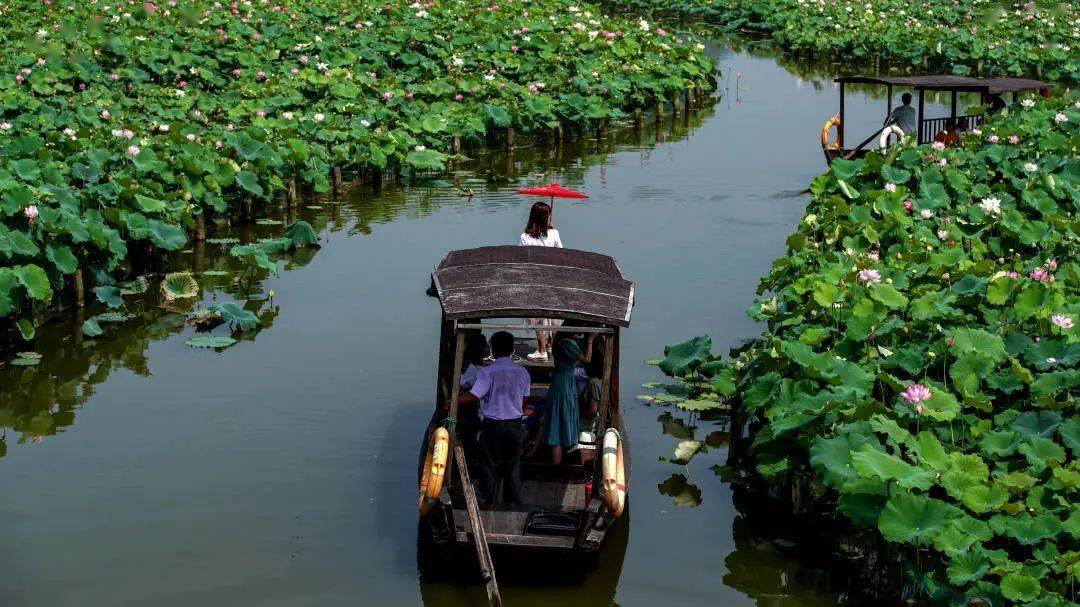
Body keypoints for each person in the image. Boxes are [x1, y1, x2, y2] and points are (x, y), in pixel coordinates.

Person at [449, 331, 531, 504]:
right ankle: (512, 501)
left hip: (493, 424)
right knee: (513, 464)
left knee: (490, 465)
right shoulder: (522, 371)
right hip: (514, 424)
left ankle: (490, 500)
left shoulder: (488, 371)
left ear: (494, 349)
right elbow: (524, 399)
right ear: (512, 348)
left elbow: (473, 396)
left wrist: (451, 402)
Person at [519, 202, 563, 361]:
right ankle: (550, 346)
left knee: (538, 314)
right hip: (553, 279)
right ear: (547, 218)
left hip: (535, 280)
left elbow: (522, 259)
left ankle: (542, 349)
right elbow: (562, 255)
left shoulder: (525, 237)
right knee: (552, 314)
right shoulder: (555, 234)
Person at [545, 333, 595, 465]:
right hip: (565, 384)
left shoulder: (561, 341)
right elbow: (587, 359)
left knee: (559, 422)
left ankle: (560, 464)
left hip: (561, 381)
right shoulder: (568, 343)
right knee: (559, 426)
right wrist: (590, 340)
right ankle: (558, 466)